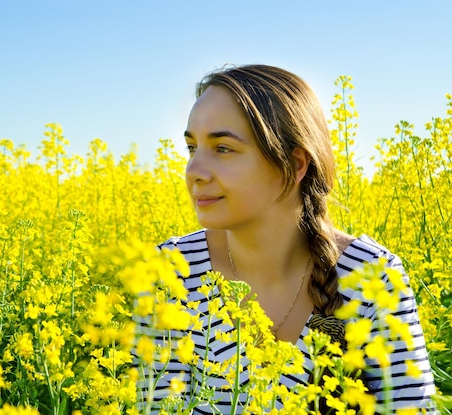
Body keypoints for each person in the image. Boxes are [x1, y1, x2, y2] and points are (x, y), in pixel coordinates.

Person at [135, 64, 438, 414]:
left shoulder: (371, 276)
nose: (194, 172)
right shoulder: (171, 271)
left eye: (223, 149)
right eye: (192, 148)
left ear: (295, 165)